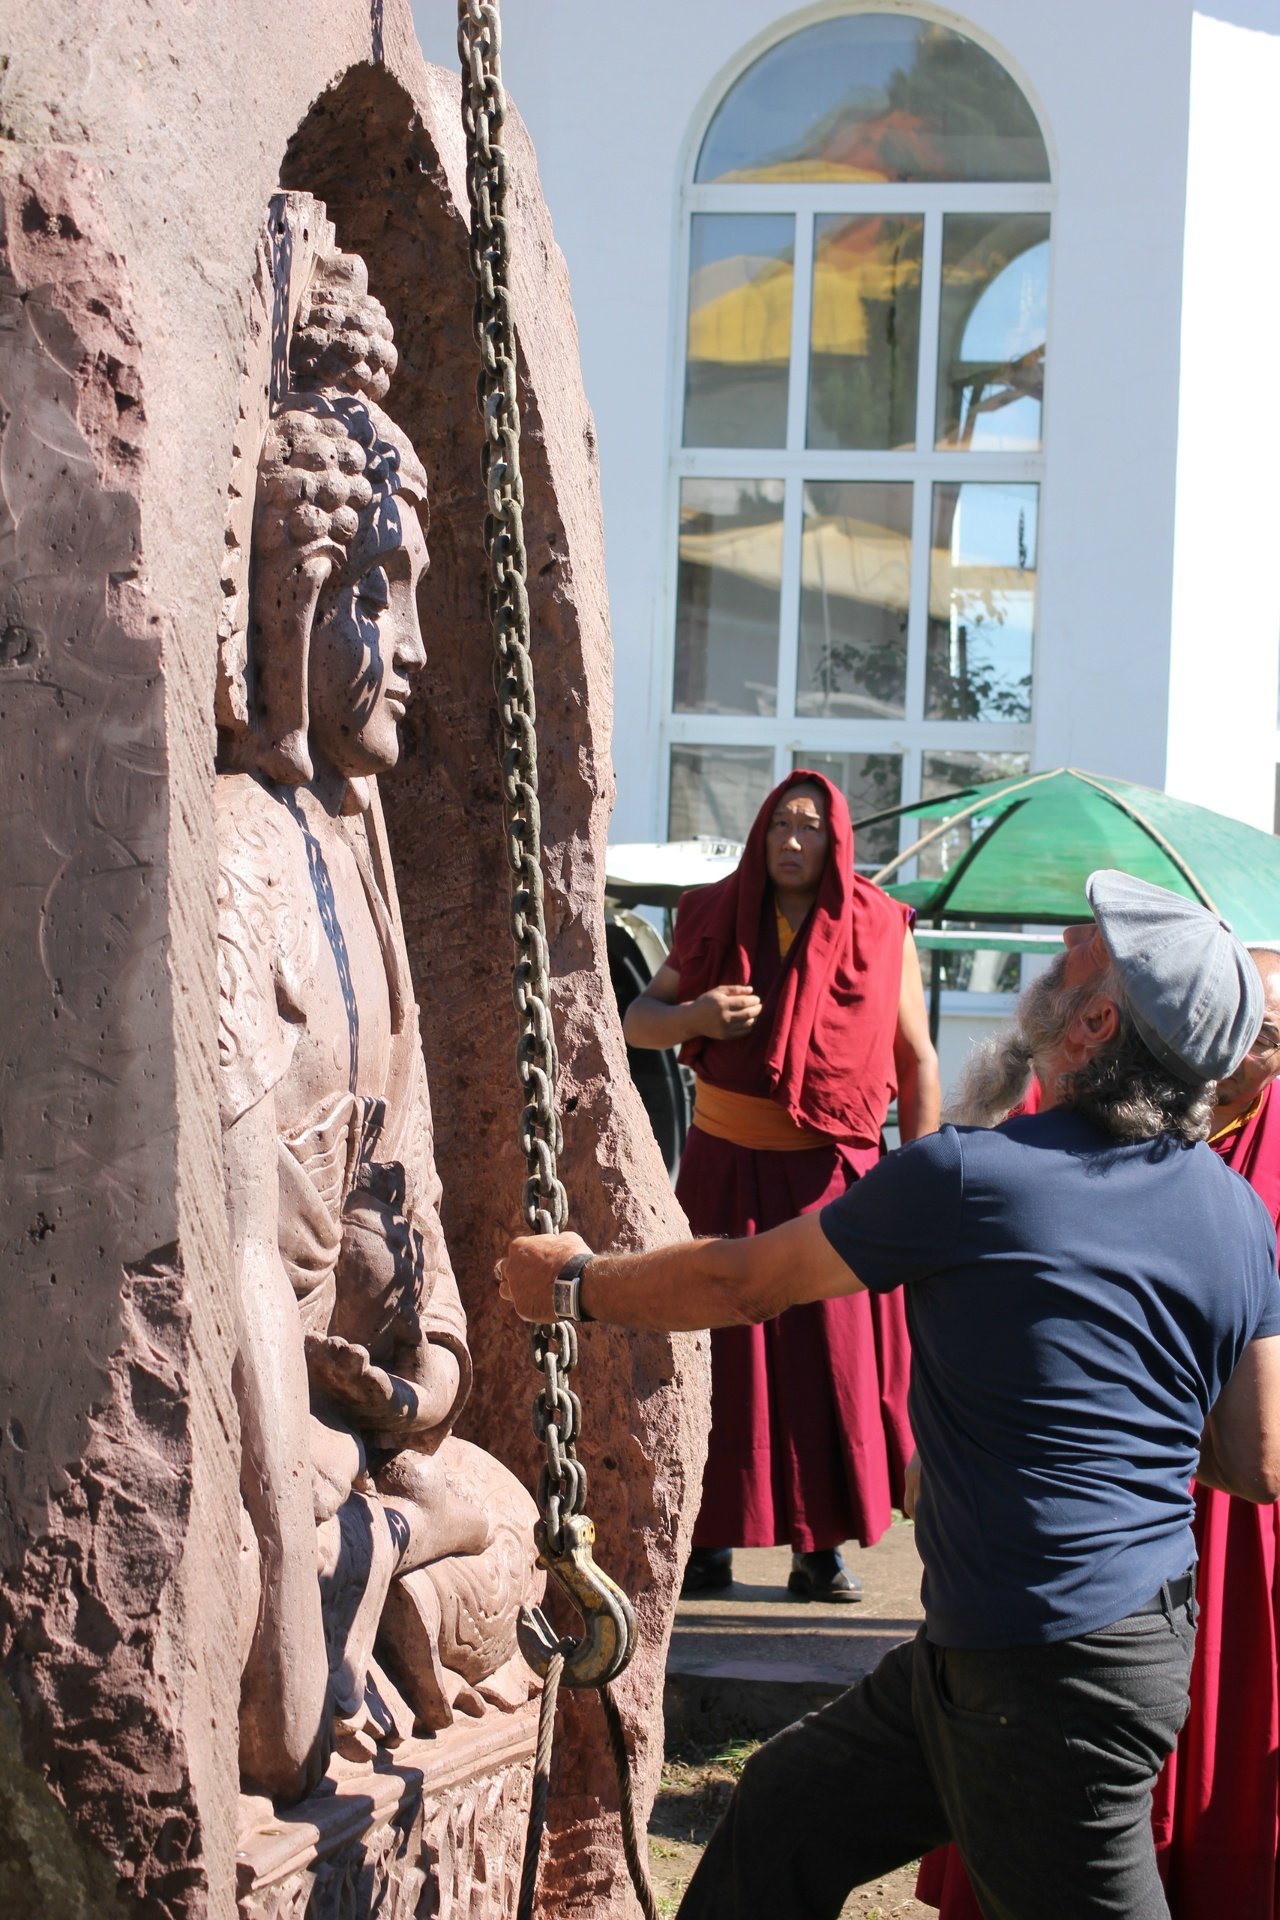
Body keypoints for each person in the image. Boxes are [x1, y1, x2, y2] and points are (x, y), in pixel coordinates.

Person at [499, 871, 1280, 1920]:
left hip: (1044, 1667)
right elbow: (1258, 1460)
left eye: (1088, 942)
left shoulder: (972, 1177)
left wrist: (573, 1284)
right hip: (1067, 1644)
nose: (1063, 939)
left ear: (1096, 1024)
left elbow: (744, 1283)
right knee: (784, 1815)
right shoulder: (1236, 1214)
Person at [915, 946, 1280, 1920]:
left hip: (1234, 1492)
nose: (1247, 1046)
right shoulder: (1097, 1116)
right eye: (1240, 1021)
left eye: (1270, 1035)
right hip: (1080, 1487)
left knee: (1215, 1705)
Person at [623, 770, 939, 1600]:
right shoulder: (712, 912)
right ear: (760, 833)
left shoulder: (881, 926)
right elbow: (638, 1020)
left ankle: (819, 1546)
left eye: (810, 827)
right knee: (716, 1354)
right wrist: (696, 1018)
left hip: (829, 1179)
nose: (793, 841)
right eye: (779, 825)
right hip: (723, 1167)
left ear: (836, 841)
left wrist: (927, 1180)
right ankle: (707, 1540)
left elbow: (917, 1059)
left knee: (829, 1363)